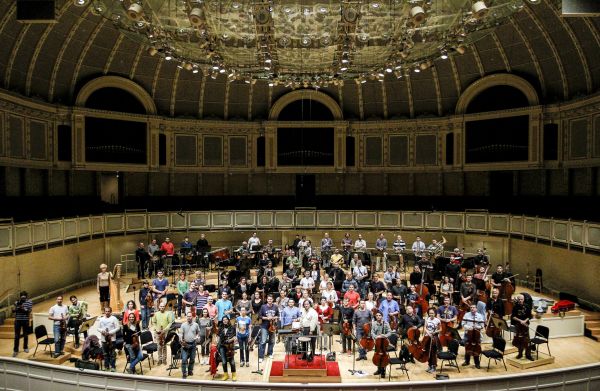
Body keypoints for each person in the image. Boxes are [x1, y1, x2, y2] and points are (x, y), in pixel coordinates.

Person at [462, 304, 485, 368]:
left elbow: (482, 326)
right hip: (468, 334)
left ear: (476, 309)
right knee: (467, 347)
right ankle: (467, 361)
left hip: (476, 335)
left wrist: (476, 327)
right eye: (471, 307)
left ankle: (477, 363)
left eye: (473, 307)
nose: (472, 308)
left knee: (476, 349)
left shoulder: (480, 316)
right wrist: (469, 327)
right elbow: (463, 324)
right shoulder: (466, 315)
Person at [511, 294, 533, 360]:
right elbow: (513, 317)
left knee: (527, 341)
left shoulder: (527, 306)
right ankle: (520, 354)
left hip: (525, 326)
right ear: (518, 300)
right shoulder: (515, 307)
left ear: (524, 299)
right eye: (519, 299)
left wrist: (525, 321)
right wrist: (520, 321)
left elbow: (530, 316)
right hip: (518, 326)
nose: (520, 300)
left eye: (521, 299)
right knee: (519, 341)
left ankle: (528, 355)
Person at [258, 295, 279, 362]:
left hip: (272, 326)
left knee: (272, 341)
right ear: (267, 300)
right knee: (263, 341)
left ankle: (270, 353)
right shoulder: (263, 307)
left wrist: (274, 317)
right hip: (264, 326)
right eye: (268, 299)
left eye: (271, 299)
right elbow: (259, 316)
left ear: (273, 300)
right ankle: (261, 356)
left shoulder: (275, 307)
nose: (270, 300)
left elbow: (277, 315)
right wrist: (267, 318)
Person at [179, 312, 200, 378]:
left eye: (190, 316)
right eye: (188, 316)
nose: (189, 317)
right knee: (184, 359)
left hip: (193, 344)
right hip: (185, 344)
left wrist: (197, 336)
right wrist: (181, 339)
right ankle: (184, 373)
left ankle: (190, 370)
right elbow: (181, 334)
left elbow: (198, 332)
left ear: (192, 317)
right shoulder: (183, 325)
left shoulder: (196, 324)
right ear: (186, 317)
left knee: (192, 359)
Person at [98, 306, 119, 372]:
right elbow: (98, 328)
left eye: (108, 311)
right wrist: (102, 331)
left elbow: (118, 328)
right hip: (103, 339)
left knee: (112, 354)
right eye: (106, 311)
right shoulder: (101, 319)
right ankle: (106, 366)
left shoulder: (114, 318)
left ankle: (113, 366)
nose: (107, 313)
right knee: (105, 354)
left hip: (112, 339)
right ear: (104, 312)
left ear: (111, 312)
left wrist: (110, 332)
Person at [371, 311, 391, 378]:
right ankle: (379, 370)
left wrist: (384, 335)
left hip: (384, 343)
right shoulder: (373, 323)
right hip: (377, 342)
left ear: (382, 316)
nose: (378, 316)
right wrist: (377, 337)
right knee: (377, 356)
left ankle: (383, 371)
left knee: (384, 357)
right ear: (375, 317)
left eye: (379, 315)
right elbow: (372, 332)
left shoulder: (386, 323)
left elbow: (389, 332)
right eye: (377, 315)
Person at [218, 315, 237, 381]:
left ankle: (234, 375)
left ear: (228, 320)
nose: (225, 321)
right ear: (222, 321)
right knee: (224, 362)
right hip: (222, 346)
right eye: (223, 320)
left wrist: (232, 339)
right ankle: (226, 375)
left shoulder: (232, 327)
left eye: (226, 319)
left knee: (232, 362)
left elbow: (234, 337)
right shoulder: (220, 328)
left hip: (230, 347)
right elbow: (220, 337)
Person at [13, 291, 32, 357]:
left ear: (26, 296)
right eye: (22, 297)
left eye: (24, 297)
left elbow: (29, 311)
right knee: (16, 336)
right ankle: (15, 350)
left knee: (25, 335)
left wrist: (22, 308)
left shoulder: (29, 302)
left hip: (25, 320)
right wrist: (18, 308)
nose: (23, 298)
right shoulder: (17, 302)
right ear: (20, 297)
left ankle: (25, 347)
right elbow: (14, 310)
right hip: (17, 320)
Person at [424, 307, 441, 373]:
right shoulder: (427, 319)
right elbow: (425, 327)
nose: (431, 314)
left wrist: (434, 332)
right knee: (428, 352)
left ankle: (434, 366)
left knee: (433, 353)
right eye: (430, 313)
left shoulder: (437, 320)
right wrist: (428, 332)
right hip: (428, 337)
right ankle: (429, 365)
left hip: (434, 338)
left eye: (432, 313)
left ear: (435, 313)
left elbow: (440, 329)